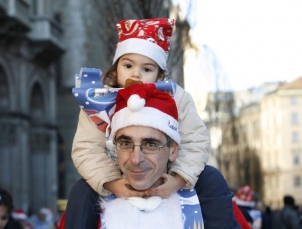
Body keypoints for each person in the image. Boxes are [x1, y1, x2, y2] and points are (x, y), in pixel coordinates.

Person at [64, 83, 240, 228]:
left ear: (173, 150)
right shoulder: (87, 196)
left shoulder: (205, 189)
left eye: (151, 144)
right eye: (126, 144)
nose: (136, 159)